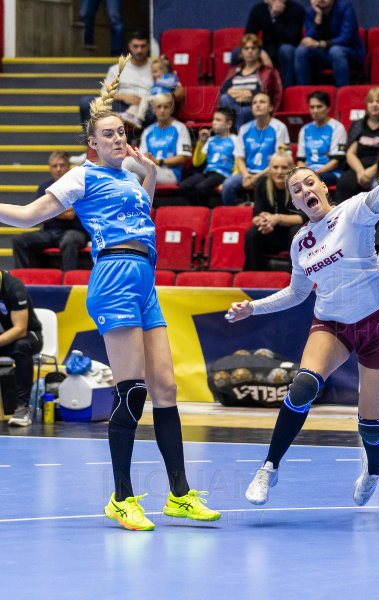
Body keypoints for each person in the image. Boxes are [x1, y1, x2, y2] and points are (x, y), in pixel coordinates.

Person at [0, 55, 220, 530]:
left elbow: (144, 215)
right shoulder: (82, 175)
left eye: (122, 132)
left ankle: (179, 495)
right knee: (133, 390)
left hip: (145, 279)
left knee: (165, 388)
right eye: (109, 135)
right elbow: (29, 215)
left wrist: (147, 174)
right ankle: (121, 497)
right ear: (91, 144)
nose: (119, 139)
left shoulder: (127, 177)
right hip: (114, 277)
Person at [229, 97, 379, 508]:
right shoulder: (300, 243)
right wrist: (252, 307)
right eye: (295, 189)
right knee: (302, 385)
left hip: (378, 325)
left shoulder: (356, 212)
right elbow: (297, 293)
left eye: (309, 182)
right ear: (293, 203)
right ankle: (270, 467)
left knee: (371, 419)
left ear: (324, 187)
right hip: (331, 325)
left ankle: (371, 470)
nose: (303, 189)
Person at [13, 152, 89, 273]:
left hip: (75, 232)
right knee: (19, 240)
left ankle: (67, 282)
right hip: (49, 232)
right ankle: (22, 279)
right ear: (50, 168)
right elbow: (39, 217)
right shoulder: (44, 187)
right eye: (54, 166)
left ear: (68, 166)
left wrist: (48, 211)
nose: (58, 169)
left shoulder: (78, 186)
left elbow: (70, 215)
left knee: (69, 240)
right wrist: (58, 210)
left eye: (61, 165)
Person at [78, 33, 171, 128]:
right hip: (121, 107)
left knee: (159, 109)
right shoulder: (117, 68)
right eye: (136, 46)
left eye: (143, 46)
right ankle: (93, 141)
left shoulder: (157, 67)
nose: (139, 50)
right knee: (87, 103)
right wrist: (123, 97)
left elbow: (174, 86)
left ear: (148, 47)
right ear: (129, 46)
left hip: (146, 107)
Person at [244, 146, 307, 271]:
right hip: (271, 234)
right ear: (270, 168)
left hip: (292, 237)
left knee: (296, 231)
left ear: (292, 169)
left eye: (284, 168)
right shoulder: (262, 183)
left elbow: (303, 218)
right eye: (275, 167)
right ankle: (253, 277)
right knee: (252, 233)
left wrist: (277, 219)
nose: (279, 172)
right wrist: (263, 221)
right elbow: (256, 215)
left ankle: (295, 278)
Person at [221, 93, 290, 206]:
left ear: (271, 107)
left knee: (263, 183)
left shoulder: (279, 128)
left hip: (270, 173)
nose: (258, 105)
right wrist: (246, 176)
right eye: (254, 103)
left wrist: (256, 177)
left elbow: (281, 159)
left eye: (262, 102)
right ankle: (234, 213)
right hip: (248, 173)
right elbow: (239, 158)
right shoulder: (244, 129)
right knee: (228, 185)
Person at [291, 0, 366, 89]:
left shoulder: (345, 7)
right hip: (324, 55)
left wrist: (320, 44)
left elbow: (346, 37)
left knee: (335, 51)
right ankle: (303, 92)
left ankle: (342, 93)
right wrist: (318, 19)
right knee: (301, 50)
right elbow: (308, 39)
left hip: (349, 54)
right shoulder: (311, 11)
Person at [2, 271, 44, 427]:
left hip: (31, 334)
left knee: (21, 346)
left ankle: (22, 408)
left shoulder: (14, 287)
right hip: (5, 337)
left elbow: (20, 329)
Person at [122, 93, 191, 186]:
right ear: (154, 110)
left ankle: (108, 191)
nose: (162, 110)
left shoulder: (180, 128)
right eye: (159, 107)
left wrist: (158, 162)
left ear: (172, 109)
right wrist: (145, 157)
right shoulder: (148, 131)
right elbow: (142, 157)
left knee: (127, 162)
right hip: (150, 170)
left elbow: (182, 158)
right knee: (134, 178)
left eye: (166, 107)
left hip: (170, 174)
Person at [219, 34, 284, 130]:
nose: (250, 51)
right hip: (233, 108)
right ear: (241, 52)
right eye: (246, 48)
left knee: (242, 111)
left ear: (259, 52)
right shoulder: (234, 71)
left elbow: (270, 94)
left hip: (255, 108)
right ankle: (240, 134)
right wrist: (242, 93)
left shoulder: (267, 71)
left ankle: (238, 136)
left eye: (253, 48)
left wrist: (251, 96)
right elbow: (225, 91)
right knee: (225, 99)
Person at [179, 107, 239, 208]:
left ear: (229, 124)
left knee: (201, 187)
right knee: (183, 186)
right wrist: (201, 142)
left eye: (218, 120)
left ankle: (205, 209)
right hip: (208, 172)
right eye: (214, 119)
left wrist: (230, 180)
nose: (214, 122)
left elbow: (238, 163)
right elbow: (197, 163)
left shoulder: (235, 140)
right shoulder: (211, 140)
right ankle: (196, 208)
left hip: (223, 174)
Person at [241, 0, 305, 88]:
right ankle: (237, 88)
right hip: (268, 50)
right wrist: (261, 53)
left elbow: (292, 39)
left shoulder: (296, 9)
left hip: (290, 51)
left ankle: (286, 91)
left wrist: (275, 18)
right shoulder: (258, 10)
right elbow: (248, 37)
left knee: (286, 49)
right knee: (238, 52)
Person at [296, 90, 346, 187]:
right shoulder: (305, 129)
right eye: (312, 107)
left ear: (328, 108)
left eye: (319, 107)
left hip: (330, 173)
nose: (315, 110)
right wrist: (305, 173)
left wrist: (315, 173)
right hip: (308, 172)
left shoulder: (337, 128)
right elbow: (301, 160)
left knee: (310, 182)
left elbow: (336, 161)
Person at [124, 56, 180, 129]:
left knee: (144, 99)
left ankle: (139, 118)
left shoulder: (170, 77)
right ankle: (130, 114)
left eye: (155, 72)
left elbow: (172, 83)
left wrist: (159, 81)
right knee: (141, 99)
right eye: (152, 72)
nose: (153, 74)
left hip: (163, 98)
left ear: (165, 70)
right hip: (154, 98)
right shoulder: (155, 81)